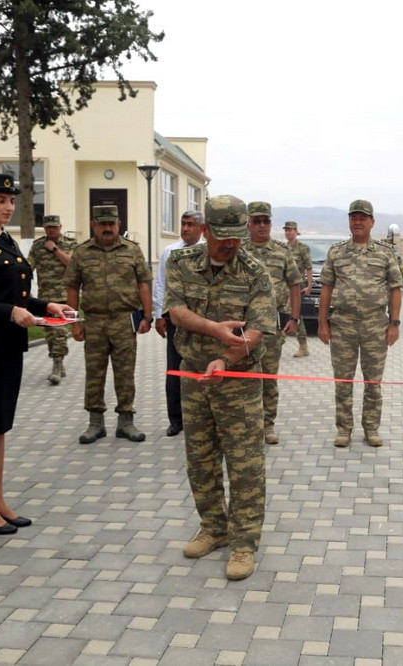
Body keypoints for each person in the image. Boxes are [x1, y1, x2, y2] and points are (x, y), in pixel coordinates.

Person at [163, 194, 276, 581]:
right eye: (223, 237)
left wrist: (227, 359)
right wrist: (214, 330)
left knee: (245, 463)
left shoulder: (254, 271)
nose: (230, 245)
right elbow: (175, 309)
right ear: (206, 230)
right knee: (201, 457)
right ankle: (214, 527)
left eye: (237, 237)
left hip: (238, 381)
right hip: (193, 377)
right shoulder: (181, 262)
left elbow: (258, 328)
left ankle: (244, 543)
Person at [0, 173, 69, 535]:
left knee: (0, 427)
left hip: (9, 346)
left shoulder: (6, 242)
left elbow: (17, 297)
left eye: (10, 201)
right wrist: (10, 313)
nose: (8, 207)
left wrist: (47, 304)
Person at [64, 205, 153, 444]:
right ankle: (95, 424)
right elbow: (72, 286)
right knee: (94, 373)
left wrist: (147, 316)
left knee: (125, 373)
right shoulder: (82, 253)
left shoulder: (132, 251)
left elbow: (144, 282)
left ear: (118, 224)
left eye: (111, 224)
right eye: (102, 224)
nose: (107, 228)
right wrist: (74, 323)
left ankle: (126, 422)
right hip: (94, 321)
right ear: (94, 225)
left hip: (124, 321)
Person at [318, 199, 402, 448]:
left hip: (375, 325)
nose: (358, 222)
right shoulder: (337, 252)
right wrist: (322, 323)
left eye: (363, 217)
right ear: (349, 221)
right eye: (353, 217)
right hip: (343, 325)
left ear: (372, 222)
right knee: (343, 381)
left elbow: (396, 289)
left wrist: (394, 323)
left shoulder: (385, 253)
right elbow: (326, 288)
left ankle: (371, 428)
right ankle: (344, 429)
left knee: (373, 382)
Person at [244, 201, 302, 445]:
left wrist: (294, 318)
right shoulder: (239, 251)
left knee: (268, 378)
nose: (262, 225)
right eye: (256, 221)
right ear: (248, 224)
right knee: (244, 379)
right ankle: (248, 425)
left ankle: (267, 426)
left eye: (266, 221)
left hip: (272, 329)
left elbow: (294, 285)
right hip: (243, 328)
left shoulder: (282, 251)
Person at [153, 211, 205, 437]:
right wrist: (159, 315)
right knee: (174, 369)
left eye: (190, 224)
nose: (185, 228)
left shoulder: (208, 250)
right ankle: (176, 419)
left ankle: (202, 416)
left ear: (202, 228)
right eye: (183, 224)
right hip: (176, 320)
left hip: (203, 321)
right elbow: (161, 285)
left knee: (201, 367)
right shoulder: (170, 252)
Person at [27, 214, 76, 384]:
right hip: (45, 298)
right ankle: (58, 361)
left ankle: (57, 364)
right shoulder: (38, 245)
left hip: (64, 296)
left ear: (60, 227)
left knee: (60, 332)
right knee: (49, 333)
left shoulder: (70, 243)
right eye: (48, 227)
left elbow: (72, 264)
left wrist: (54, 249)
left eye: (54, 227)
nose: (51, 230)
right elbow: (28, 267)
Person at [283, 220, 313, 357]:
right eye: (286, 230)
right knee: (285, 313)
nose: (288, 232)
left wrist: (309, 285)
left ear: (296, 231)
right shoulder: (283, 248)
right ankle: (301, 345)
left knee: (295, 314)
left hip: (297, 286)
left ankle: (302, 346)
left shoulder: (302, 248)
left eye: (290, 230)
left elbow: (309, 267)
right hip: (284, 286)